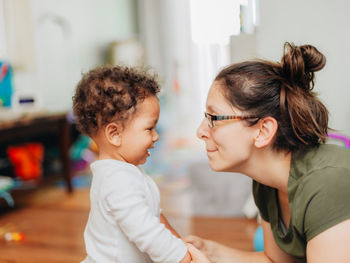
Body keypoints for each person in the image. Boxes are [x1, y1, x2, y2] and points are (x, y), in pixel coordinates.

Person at [184, 42, 350, 263]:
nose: (200, 131)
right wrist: (211, 253)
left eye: (213, 118)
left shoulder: (327, 182)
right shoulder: (266, 184)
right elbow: (277, 261)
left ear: (263, 131)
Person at [72, 65, 191, 263]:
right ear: (115, 134)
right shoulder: (118, 181)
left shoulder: (124, 171)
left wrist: (181, 245)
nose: (156, 136)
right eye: (149, 128)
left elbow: (154, 217)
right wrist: (182, 258)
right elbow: (147, 232)